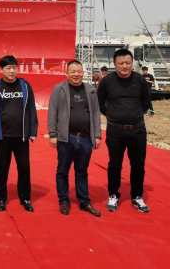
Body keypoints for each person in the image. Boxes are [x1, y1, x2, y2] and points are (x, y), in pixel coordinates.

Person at [97, 48, 152, 213]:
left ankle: (137, 196)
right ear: (114, 64)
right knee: (115, 164)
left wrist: (135, 115)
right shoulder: (107, 81)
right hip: (115, 131)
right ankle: (113, 194)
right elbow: (99, 103)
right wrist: (112, 115)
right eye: (121, 63)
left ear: (132, 63)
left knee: (138, 165)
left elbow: (146, 102)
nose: (125, 66)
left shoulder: (140, 80)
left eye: (128, 63)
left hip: (138, 130)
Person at [48, 60, 102, 217]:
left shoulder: (90, 90)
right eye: (73, 72)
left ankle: (84, 201)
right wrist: (53, 134)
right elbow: (53, 112)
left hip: (85, 138)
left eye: (79, 71)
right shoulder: (59, 89)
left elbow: (95, 113)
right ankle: (64, 201)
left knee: (82, 171)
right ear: (67, 74)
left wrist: (97, 135)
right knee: (62, 171)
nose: (76, 74)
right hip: (66, 138)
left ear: (83, 73)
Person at [0, 55, 38, 212]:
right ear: (1, 69)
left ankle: (25, 198)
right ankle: (1, 198)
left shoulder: (25, 85)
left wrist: (33, 131)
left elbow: (31, 108)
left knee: (24, 168)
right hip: (2, 136)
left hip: (21, 136)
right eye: (8, 68)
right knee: (1, 169)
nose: (12, 71)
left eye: (14, 67)